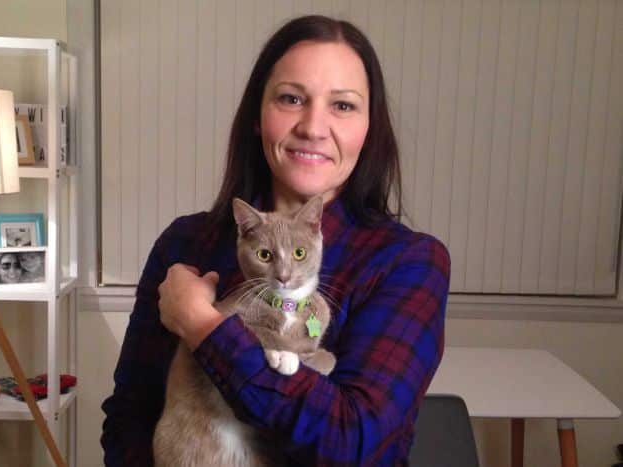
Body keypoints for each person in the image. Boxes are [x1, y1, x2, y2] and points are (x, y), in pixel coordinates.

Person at [101, 15, 450, 466]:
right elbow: (130, 417)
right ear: (256, 116)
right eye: (291, 98)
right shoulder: (186, 242)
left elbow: (353, 444)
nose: (313, 127)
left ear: (370, 130)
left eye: (343, 105)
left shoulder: (408, 262)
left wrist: (204, 327)